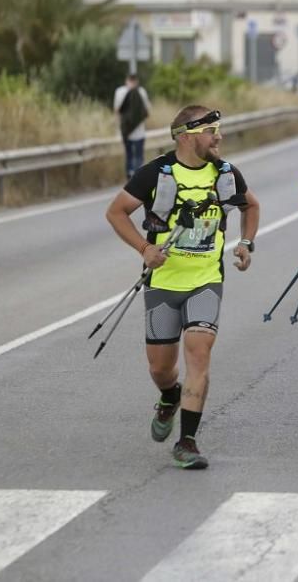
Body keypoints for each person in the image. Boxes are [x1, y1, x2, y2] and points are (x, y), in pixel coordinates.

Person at [105, 105, 260, 469]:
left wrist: (246, 243)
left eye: (218, 130)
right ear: (187, 136)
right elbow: (115, 212)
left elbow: (251, 207)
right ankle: (169, 395)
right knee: (161, 368)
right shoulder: (156, 174)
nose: (218, 137)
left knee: (199, 354)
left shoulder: (225, 174)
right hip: (163, 284)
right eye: (211, 131)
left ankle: (187, 441)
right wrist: (144, 248)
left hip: (206, 281)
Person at [114, 74, 151, 178]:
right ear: (137, 81)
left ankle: (129, 176)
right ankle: (137, 177)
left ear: (126, 80)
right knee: (138, 155)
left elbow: (117, 110)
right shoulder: (141, 91)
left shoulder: (120, 91)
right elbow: (147, 111)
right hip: (140, 131)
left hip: (125, 131)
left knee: (129, 154)